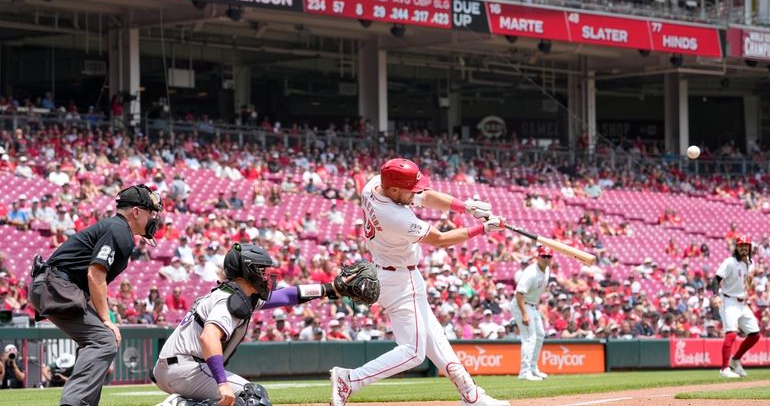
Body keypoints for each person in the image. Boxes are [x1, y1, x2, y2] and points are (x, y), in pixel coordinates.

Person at [330, 158, 508, 406]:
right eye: (408, 188)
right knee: (414, 352)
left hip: (390, 271)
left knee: (435, 338)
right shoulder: (394, 216)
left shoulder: (373, 186)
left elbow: (425, 196)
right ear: (393, 189)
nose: (415, 191)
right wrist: (482, 228)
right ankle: (349, 380)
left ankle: (471, 394)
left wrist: (466, 206)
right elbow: (441, 239)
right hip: (400, 279)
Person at [153, 243, 361, 406]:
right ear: (247, 271)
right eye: (260, 269)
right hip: (187, 369)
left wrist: (330, 288)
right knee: (252, 399)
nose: (265, 275)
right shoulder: (228, 301)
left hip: (175, 367)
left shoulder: (240, 294)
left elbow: (287, 296)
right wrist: (222, 383)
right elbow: (208, 338)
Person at [28, 184, 163, 406]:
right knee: (103, 340)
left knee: (98, 339)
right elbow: (95, 275)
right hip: (58, 285)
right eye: (151, 212)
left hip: (57, 285)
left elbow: (93, 280)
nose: (154, 218)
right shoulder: (119, 230)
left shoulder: (117, 229)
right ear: (136, 212)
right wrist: (106, 319)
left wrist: (104, 319)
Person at [712, 235, 761, 378]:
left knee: (755, 335)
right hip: (728, 301)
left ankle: (736, 359)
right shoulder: (730, 262)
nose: (744, 248)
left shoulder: (751, 263)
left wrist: (749, 284)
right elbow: (716, 279)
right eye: (741, 246)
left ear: (750, 248)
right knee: (731, 333)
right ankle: (724, 369)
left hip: (742, 302)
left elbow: (747, 282)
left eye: (746, 246)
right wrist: (715, 295)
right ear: (737, 248)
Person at [512, 246, 552, 381]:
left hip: (532, 306)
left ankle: (533, 368)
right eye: (543, 256)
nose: (546, 259)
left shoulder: (547, 270)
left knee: (540, 335)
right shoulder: (531, 273)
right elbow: (519, 293)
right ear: (538, 257)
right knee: (530, 338)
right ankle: (524, 371)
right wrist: (524, 313)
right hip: (521, 304)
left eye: (548, 256)